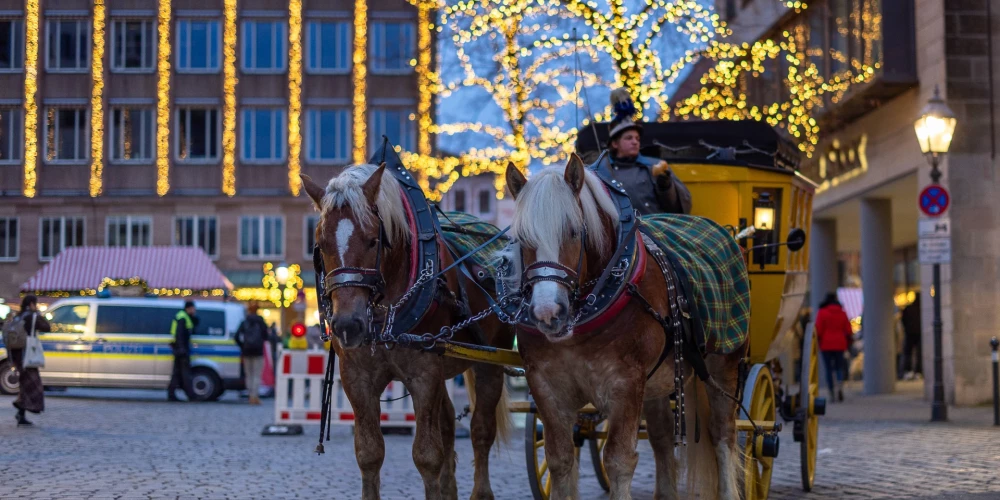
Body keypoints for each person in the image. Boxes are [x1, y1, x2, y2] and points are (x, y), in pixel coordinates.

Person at [595, 87, 692, 216]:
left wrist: (666, 186)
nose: (635, 142)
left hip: (655, 231)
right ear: (615, 143)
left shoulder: (655, 165)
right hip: (621, 234)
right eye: (629, 138)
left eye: (637, 138)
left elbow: (676, 209)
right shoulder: (601, 172)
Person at [9, 295, 50, 426]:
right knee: (34, 385)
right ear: (32, 304)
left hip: (17, 355)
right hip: (28, 355)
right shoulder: (32, 317)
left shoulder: (18, 316)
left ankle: (21, 413)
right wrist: (37, 313)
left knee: (24, 383)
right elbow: (47, 327)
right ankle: (21, 407)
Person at [814, 292, 853, 402]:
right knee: (839, 367)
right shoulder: (842, 313)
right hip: (840, 343)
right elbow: (848, 330)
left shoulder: (822, 313)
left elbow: (819, 330)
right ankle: (839, 386)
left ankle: (831, 391)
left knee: (828, 369)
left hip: (826, 344)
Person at [234, 303, 270, 405]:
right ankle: (255, 396)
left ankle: (250, 396)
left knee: (249, 375)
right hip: (258, 352)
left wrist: (243, 346)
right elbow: (266, 336)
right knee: (256, 375)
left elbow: (236, 336)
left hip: (246, 352)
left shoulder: (244, 322)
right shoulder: (260, 322)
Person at [168, 301, 197, 402]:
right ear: (189, 308)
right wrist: (182, 349)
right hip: (182, 350)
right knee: (185, 373)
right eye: (193, 308)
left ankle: (171, 394)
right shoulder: (183, 318)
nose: (194, 310)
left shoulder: (184, 316)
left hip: (179, 349)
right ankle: (191, 395)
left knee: (177, 373)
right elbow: (179, 335)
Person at [900, 293, 922, 380]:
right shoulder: (919, 309)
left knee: (908, 353)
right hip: (917, 333)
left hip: (910, 333)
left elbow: (903, 319)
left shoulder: (909, 308)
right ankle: (917, 371)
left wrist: (907, 328)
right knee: (917, 353)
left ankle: (908, 371)